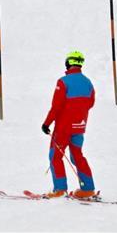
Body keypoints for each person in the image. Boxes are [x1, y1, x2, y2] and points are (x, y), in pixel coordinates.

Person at [41, 50, 96, 198]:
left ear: (68, 63)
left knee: (55, 156)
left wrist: (46, 123)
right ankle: (88, 188)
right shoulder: (88, 82)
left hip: (63, 128)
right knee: (77, 155)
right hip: (80, 127)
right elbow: (90, 103)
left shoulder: (63, 82)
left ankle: (59, 189)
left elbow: (56, 107)